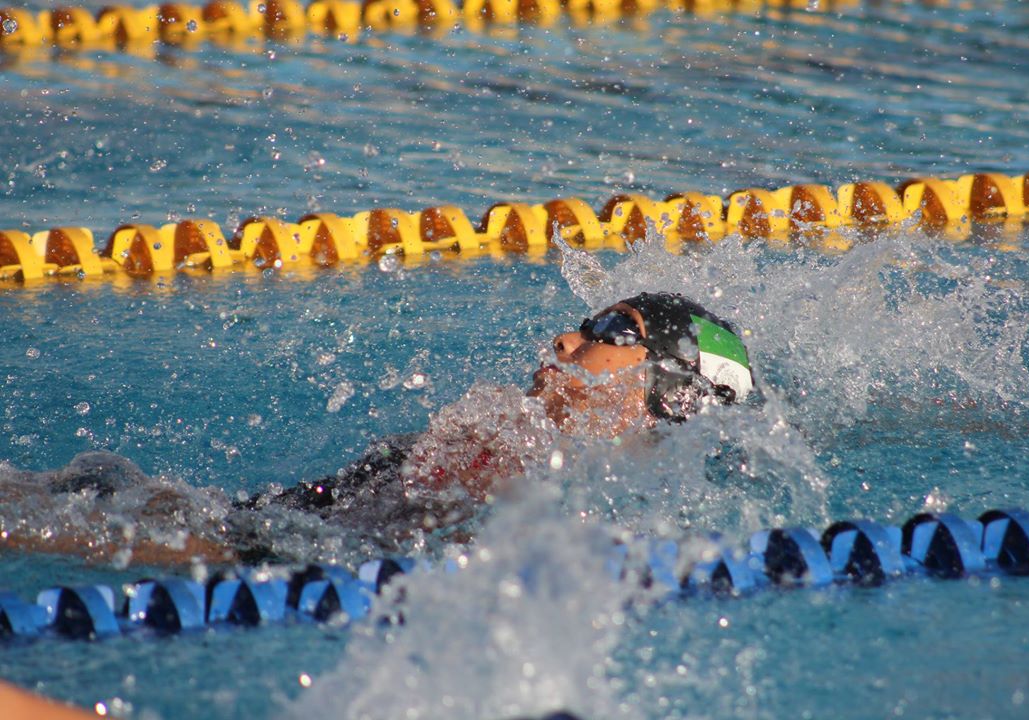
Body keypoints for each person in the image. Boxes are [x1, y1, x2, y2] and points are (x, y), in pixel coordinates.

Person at [0, 293, 753, 565]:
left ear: (674, 399)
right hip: (273, 527)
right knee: (98, 484)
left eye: (612, 329)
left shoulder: (558, 491)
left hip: (254, 555)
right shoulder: (520, 447)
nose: (563, 340)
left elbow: (271, 556)